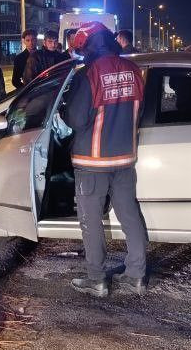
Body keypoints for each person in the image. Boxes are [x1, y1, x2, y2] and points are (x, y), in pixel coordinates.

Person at [61, 22, 149, 298]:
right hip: (125, 157)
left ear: (88, 45)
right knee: (129, 214)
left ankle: (97, 280)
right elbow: (140, 111)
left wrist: (62, 112)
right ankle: (136, 275)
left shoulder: (90, 72)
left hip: (92, 160)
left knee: (91, 221)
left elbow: (76, 119)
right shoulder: (134, 70)